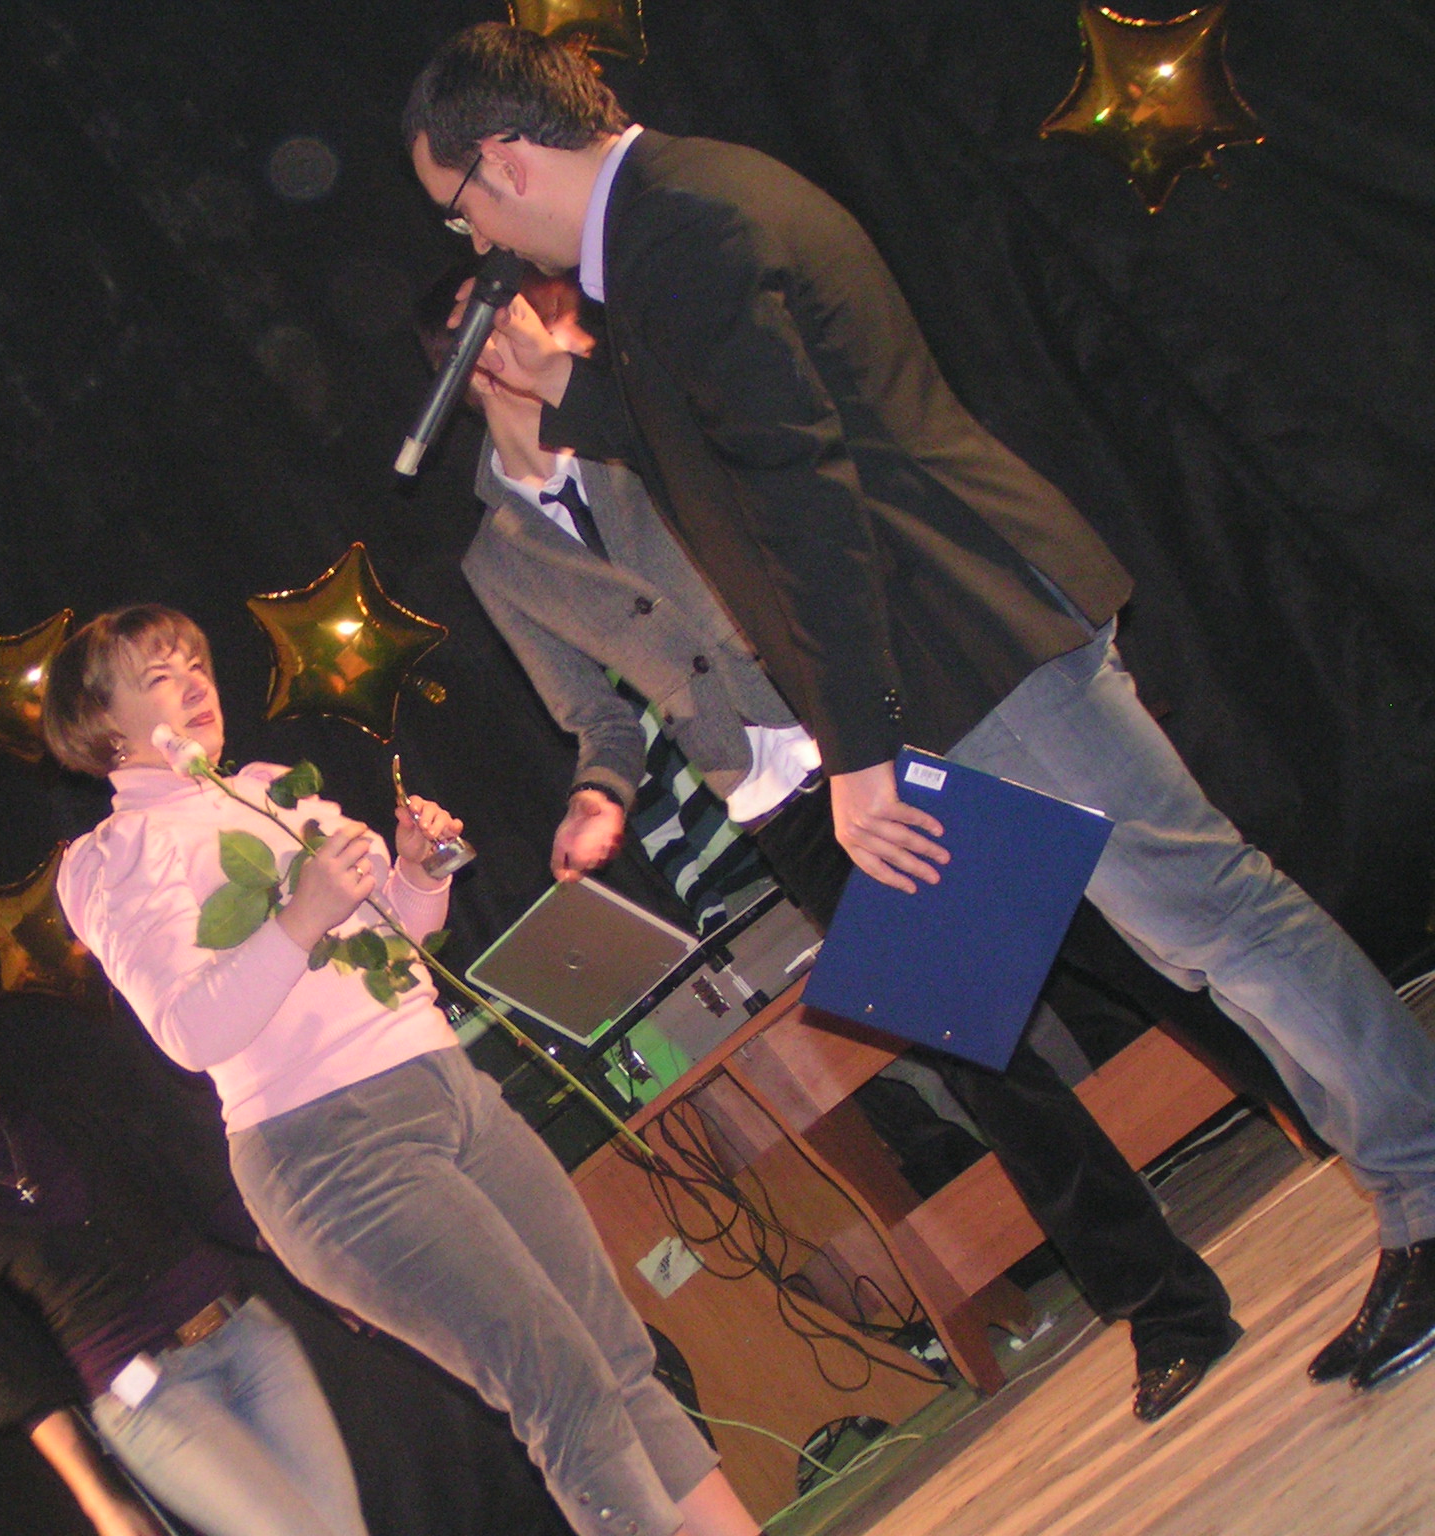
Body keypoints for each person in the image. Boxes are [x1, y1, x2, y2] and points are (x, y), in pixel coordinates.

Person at [402, 22, 1435, 1393]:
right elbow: (729, 444)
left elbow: (803, 494)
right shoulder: (680, 205)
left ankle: (1420, 1188)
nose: (475, 241)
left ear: (502, 159)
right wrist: (574, 396)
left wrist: (859, 746)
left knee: (1215, 921)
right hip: (957, 638)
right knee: (1180, 936)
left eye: (458, 208)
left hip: (964, 632)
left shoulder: (677, 233)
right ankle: (1383, 1205)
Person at [420, 267, 1247, 1420]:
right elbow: (595, 716)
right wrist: (598, 795)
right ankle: (1164, 1307)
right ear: (457, 366)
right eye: (489, 314)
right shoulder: (495, 559)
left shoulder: (637, 423)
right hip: (778, 804)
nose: (516, 322)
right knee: (973, 1053)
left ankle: (1340, 1109)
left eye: (521, 301)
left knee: (1122, 939)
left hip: (866, 727)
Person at [45, 605, 763, 1536]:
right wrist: (303, 912)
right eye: (158, 678)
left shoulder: (270, 792)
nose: (194, 685)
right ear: (102, 726)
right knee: (557, 1381)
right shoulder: (116, 856)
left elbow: (392, 952)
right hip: (330, 1149)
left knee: (617, 1356)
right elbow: (189, 1029)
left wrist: (418, 877)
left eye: (196, 664)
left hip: (445, 1086)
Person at [0, 995, 371, 1536]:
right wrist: (100, 1501)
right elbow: (20, 1380)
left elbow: (201, 1195)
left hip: (245, 1336)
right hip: (152, 1400)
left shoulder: (64, 1115)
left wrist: (320, 1273)